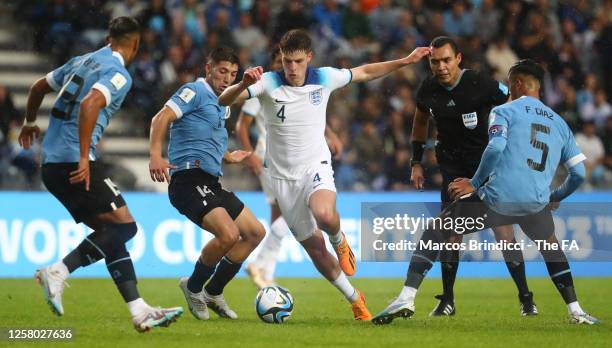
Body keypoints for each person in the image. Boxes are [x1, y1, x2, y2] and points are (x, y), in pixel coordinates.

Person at [219, 29, 430, 320]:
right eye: (286, 61)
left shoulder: (324, 77)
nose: (291, 68)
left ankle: (340, 239)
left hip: (315, 165)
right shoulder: (267, 82)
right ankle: (355, 299)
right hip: (282, 180)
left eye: (296, 61)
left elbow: (366, 71)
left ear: (309, 58)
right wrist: (242, 83)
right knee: (316, 250)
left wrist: (404, 61)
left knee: (326, 216)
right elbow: (224, 101)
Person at [372, 59, 599, 325]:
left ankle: (407, 296)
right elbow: (580, 174)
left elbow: (494, 148)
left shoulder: (504, 112)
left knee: (436, 230)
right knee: (551, 247)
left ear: (516, 83)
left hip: (496, 201)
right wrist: (554, 197)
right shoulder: (560, 123)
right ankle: (576, 310)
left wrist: (474, 183)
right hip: (535, 202)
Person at [18, 16, 183, 332]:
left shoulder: (81, 60)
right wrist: (83, 157)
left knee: (112, 235)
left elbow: (38, 86)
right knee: (126, 228)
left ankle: (139, 311)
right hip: (74, 163)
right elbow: (91, 103)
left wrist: (28, 122)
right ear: (134, 43)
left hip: (52, 164)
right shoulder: (118, 74)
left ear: (109, 38)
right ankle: (59, 271)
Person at [410, 36, 536, 316]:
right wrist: (416, 161)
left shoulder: (481, 83)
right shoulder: (428, 89)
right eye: (435, 62)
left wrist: (513, 142)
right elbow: (420, 121)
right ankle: (447, 300)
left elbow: (513, 101)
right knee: (450, 235)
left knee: (503, 232)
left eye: (445, 60)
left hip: (486, 168)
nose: (441, 66)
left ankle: (526, 298)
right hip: (453, 171)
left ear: (458, 58)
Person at [148, 46, 265, 321]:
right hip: (187, 180)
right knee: (228, 235)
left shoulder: (220, 105)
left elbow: (204, 137)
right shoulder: (195, 91)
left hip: (211, 181)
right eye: (222, 71)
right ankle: (192, 286)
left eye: (233, 74)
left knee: (255, 233)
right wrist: (155, 155)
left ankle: (213, 291)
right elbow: (160, 117)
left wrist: (227, 156)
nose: (227, 78)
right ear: (208, 68)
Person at [237, 46, 343, 289]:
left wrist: (330, 134)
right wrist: (250, 154)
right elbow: (242, 125)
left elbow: (307, 116)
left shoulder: (297, 88)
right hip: (273, 159)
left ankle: (265, 269)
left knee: (279, 215)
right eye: (281, 62)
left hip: (287, 160)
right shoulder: (266, 86)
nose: (286, 67)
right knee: (289, 214)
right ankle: (260, 263)